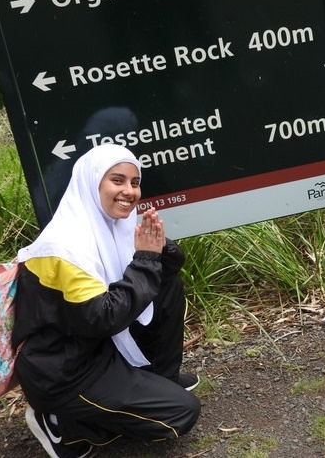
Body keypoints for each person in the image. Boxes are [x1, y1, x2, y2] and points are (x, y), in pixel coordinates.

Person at [12, 144, 201, 458]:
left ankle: (160, 379)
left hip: (101, 346)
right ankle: (64, 424)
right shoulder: (64, 248)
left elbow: (160, 275)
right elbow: (103, 317)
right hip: (66, 370)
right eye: (117, 180)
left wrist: (158, 250)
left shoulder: (112, 226)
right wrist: (145, 258)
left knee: (167, 284)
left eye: (135, 182)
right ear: (92, 182)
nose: (129, 191)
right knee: (180, 414)